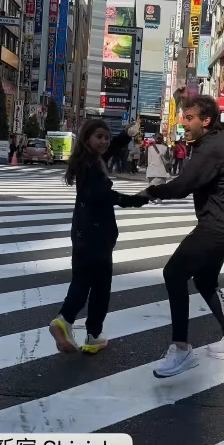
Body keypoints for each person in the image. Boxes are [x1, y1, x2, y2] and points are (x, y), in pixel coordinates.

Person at [139, 95, 224, 378]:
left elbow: (183, 186)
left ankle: (181, 349)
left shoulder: (210, 148)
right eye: (183, 118)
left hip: (216, 226)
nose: (183, 124)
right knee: (204, 280)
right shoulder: (215, 141)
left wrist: (150, 192)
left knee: (173, 273)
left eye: (189, 119)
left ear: (206, 121)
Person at [49, 119, 148, 355]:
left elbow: (112, 150)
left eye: (106, 137)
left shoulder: (90, 160)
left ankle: (80, 328)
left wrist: (126, 134)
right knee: (99, 287)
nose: (104, 142)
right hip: (96, 234)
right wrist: (134, 200)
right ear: (87, 139)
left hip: (84, 233)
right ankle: (75, 325)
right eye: (99, 137)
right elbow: (102, 195)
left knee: (83, 281)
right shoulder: (91, 164)